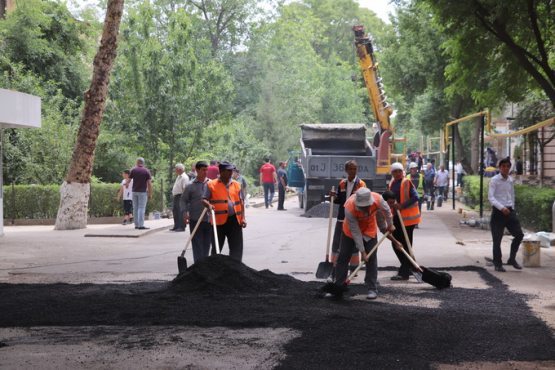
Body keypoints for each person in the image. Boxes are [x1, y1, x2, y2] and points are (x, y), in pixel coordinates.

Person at [332, 187, 400, 300]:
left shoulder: (378, 200)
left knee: (371, 257)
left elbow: (387, 211)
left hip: (369, 230)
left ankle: (372, 288)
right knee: (343, 256)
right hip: (350, 232)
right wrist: (362, 252)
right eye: (362, 207)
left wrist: (390, 224)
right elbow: (355, 232)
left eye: (366, 206)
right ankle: (338, 286)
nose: (365, 209)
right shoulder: (349, 207)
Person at [203, 161, 247, 261]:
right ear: (221, 172)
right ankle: (214, 269)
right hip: (218, 222)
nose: (231, 173)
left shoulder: (237, 185)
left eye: (232, 170)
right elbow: (203, 199)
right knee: (216, 249)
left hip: (235, 221)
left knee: (236, 249)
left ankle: (236, 270)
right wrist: (209, 205)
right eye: (229, 171)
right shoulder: (211, 184)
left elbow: (241, 202)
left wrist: (243, 218)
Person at [329, 160, 366, 275]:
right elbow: (339, 200)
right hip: (341, 218)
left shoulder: (361, 184)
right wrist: (333, 197)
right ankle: (334, 267)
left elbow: (363, 202)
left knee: (354, 244)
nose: (353, 171)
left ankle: (354, 269)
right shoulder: (342, 184)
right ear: (346, 170)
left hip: (354, 220)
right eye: (350, 169)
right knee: (337, 243)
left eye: (354, 169)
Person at [488, 157, 524, 272]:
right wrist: (501, 208)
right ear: (500, 168)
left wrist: (511, 207)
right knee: (497, 239)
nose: (506, 168)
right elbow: (491, 197)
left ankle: (512, 259)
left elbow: (512, 194)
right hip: (498, 213)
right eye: (503, 166)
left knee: (519, 235)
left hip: (509, 212)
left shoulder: (510, 180)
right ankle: (497, 263)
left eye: (508, 166)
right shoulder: (494, 180)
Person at [387, 162, 421, 280]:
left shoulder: (406, 182)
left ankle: (405, 272)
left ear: (402, 171)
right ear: (391, 173)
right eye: (394, 171)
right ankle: (410, 266)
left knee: (406, 245)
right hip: (396, 218)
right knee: (395, 243)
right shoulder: (392, 183)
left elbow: (416, 197)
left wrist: (402, 206)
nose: (397, 173)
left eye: (399, 171)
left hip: (407, 220)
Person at [181, 161, 212, 263]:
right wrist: (185, 213)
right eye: (203, 170)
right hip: (195, 219)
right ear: (197, 170)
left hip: (209, 219)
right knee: (197, 244)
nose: (205, 172)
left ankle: (206, 265)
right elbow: (184, 200)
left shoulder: (211, 184)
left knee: (207, 244)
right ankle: (198, 266)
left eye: (206, 170)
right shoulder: (190, 185)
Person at [128, 157, 152, 230]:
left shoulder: (133, 170)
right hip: (142, 192)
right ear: (143, 163)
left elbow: (129, 180)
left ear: (137, 162)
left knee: (135, 208)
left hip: (134, 191)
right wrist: (150, 193)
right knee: (141, 208)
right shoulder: (146, 171)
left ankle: (136, 225)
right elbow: (149, 183)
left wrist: (126, 184)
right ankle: (141, 225)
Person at [171, 163, 189, 232]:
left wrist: (184, 198)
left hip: (181, 195)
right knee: (175, 211)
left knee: (181, 211)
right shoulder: (179, 176)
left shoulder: (184, 177)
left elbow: (185, 188)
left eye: (176, 169)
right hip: (176, 196)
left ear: (180, 169)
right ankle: (176, 226)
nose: (175, 171)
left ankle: (181, 227)